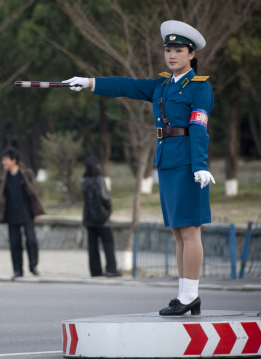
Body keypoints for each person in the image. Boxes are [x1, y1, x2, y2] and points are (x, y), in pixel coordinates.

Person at [62, 20, 215, 316]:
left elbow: (198, 126)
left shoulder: (200, 87)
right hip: (167, 163)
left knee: (191, 231)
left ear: (191, 54)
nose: (172, 55)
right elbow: (127, 86)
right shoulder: (161, 84)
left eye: (178, 50)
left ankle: (190, 295)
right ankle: (185, 294)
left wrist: (201, 164)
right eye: (168, 49)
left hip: (188, 165)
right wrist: (90, 82)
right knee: (178, 232)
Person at [0, 147, 45, 279]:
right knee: (15, 243)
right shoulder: (3, 177)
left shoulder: (26, 174)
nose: (3, 162)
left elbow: (34, 193)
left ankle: (33, 266)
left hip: (27, 213)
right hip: (11, 214)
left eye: (6, 159)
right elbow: (0, 196)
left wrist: (36, 210)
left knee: (31, 240)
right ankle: (17, 270)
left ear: (14, 160)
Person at [82, 156, 121, 277]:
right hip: (101, 218)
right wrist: (109, 209)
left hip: (88, 218)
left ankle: (95, 271)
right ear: (97, 165)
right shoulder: (100, 179)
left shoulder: (83, 180)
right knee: (108, 242)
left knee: (92, 245)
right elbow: (104, 197)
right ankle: (111, 269)